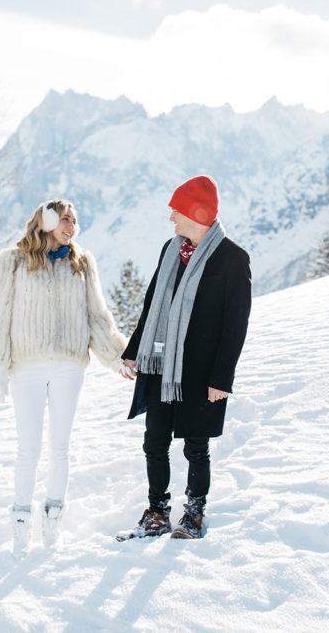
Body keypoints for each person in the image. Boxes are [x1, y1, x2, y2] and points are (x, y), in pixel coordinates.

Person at [0, 199, 129, 557]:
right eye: (65, 219)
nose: (72, 227)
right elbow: (0, 313)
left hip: (68, 365)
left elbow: (98, 316)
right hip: (27, 367)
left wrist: (119, 357)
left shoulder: (81, 261)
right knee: (28, 450)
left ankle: (53, 525)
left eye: (75, 221)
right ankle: (20, 528)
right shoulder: (13, 261)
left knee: (60, 447)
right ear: (46, 222)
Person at [118, 175, 251, 541]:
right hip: (162, 365)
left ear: (197, 212)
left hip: (200, 371)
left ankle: (193, 514)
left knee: (196, 445)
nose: (172, 219)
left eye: (176, 211)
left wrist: (221, 380)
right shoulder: (170, 249)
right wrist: (133, 352)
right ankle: (158, 512)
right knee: (154, 441)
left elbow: (234, 326)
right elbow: (151, 308)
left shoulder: (233, 259)